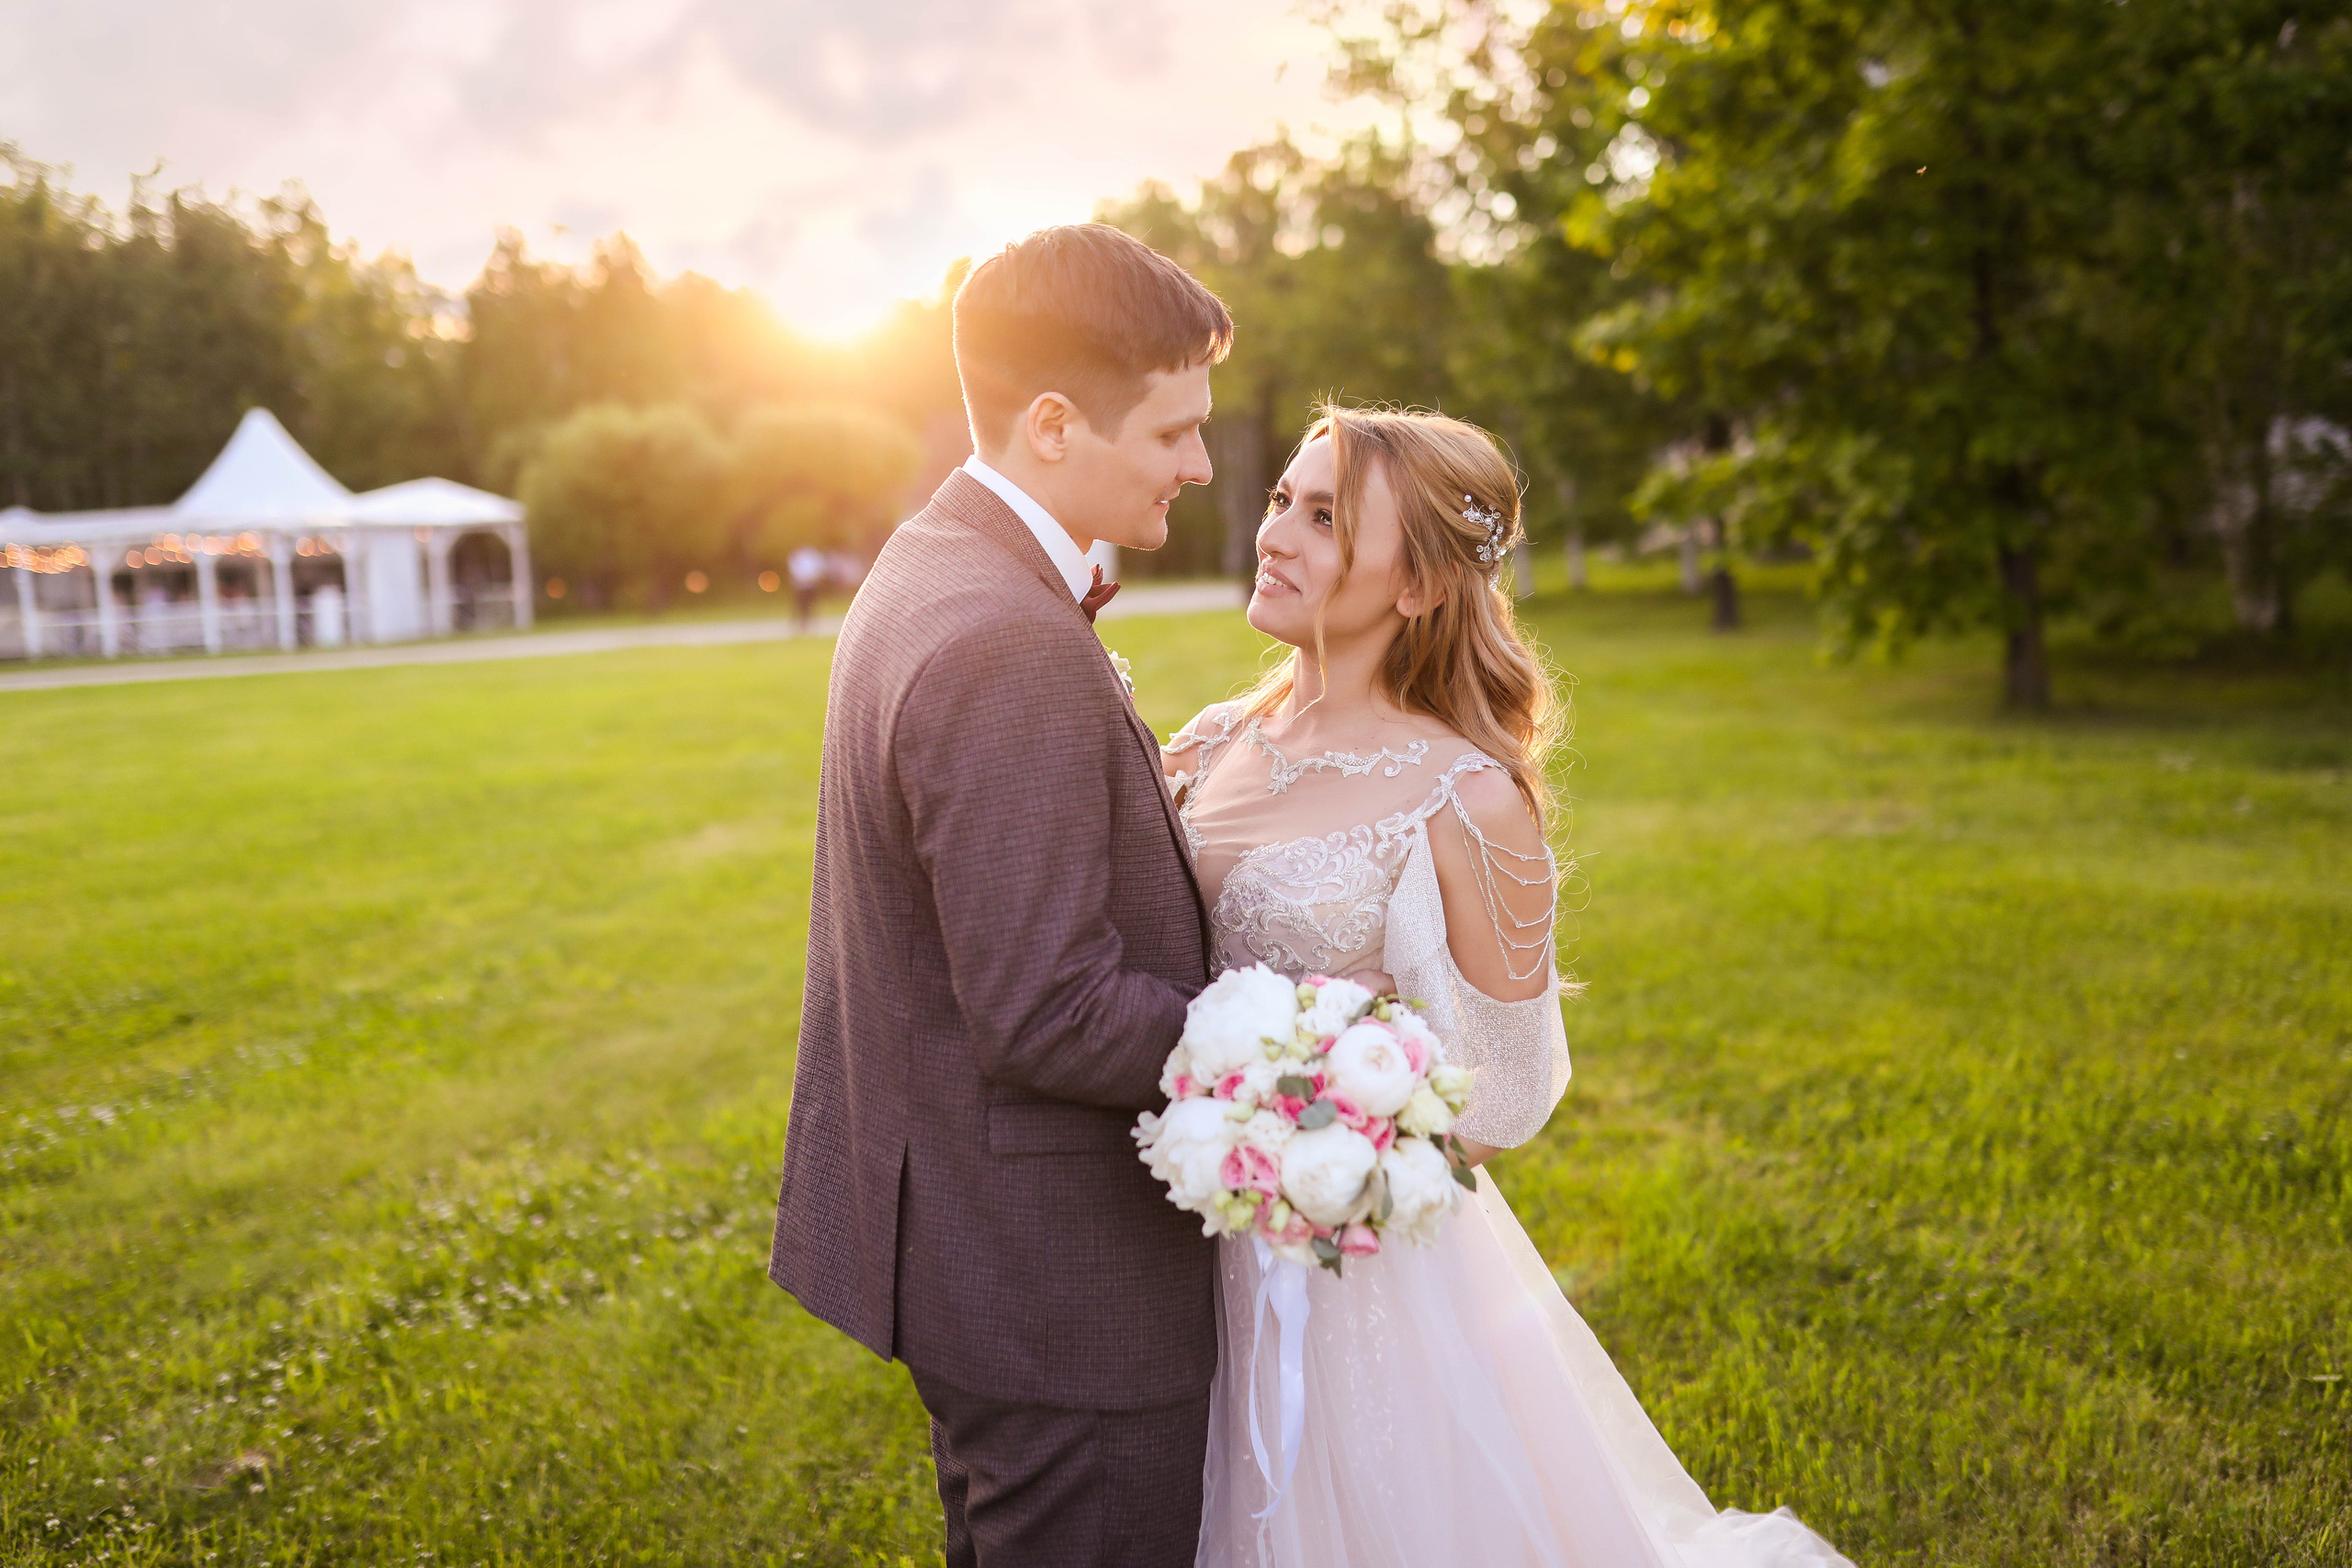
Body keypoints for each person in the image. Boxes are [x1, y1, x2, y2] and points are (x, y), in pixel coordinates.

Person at [1165, 408, 1853, 1568]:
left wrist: (1302, 1147)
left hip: (1351, 1271)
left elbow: (1502, 1098)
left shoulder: (1466, 799)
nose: (1276, 532)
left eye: (1326, 518)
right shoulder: (1205, 741)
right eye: (1283, 497)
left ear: (1422, 585)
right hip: (1172, 1231)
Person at [767, 223, 1232, 1568]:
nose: (1199, 465)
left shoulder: (935, 563)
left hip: (982, 1250)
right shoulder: (1005, 638)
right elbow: (1050, 1010)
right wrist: (1297, 1044)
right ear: (1050, 424)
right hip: (1058, 1283)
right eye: (1172, 433)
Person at [787, 544, 828, 631]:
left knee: (811, 605)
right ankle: (800, 624)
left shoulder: (813, 554)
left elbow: (819, 567)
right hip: (801, 585)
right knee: (801, 605)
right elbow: (794, 569)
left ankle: (810, 624)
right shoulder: (797, 556)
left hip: (811, 584)